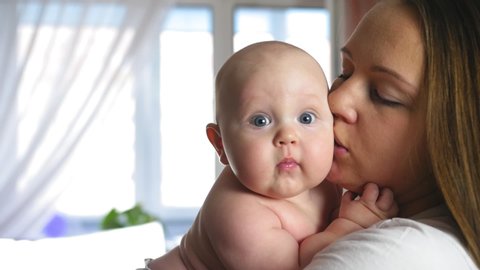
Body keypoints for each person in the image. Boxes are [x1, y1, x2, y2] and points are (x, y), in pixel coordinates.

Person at [145, 41, 398, 270]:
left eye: (306, 118)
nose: (287, 136)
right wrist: (350, 226)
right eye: (260, 120)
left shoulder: (324, 175)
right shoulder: (238, 215)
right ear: (220, 144)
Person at [303, 0, 480, 269]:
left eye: (382, 95)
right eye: (345, 72)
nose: (336, 99)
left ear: (452, 135)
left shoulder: (382, 257)